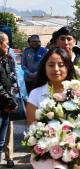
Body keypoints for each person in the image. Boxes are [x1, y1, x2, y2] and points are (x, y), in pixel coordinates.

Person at [26, 48, 76, 125]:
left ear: (68, 67)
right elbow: (32, 127)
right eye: (51, 65)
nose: (56, 69)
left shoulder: (78, 92)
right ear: (44, 68)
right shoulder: (35, 94)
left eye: (61, 65)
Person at [0, 32, 18, 163]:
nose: (8, 45)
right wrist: (9, 100)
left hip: (5, 107)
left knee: (1, 143)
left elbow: (10, 81)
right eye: (6, 43)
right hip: (3, 104)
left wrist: (12, 101)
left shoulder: (5, 59)